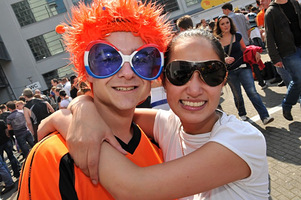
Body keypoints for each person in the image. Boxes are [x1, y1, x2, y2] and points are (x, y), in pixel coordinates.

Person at [38, 29, 270, 199]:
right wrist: (81, 106)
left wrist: (66, 120)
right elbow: (121, 113)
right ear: (163, 80)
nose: (195, 88)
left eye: (211, 72)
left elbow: (134, 188)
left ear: (224, 80)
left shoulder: (243, 140)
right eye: (181, 72)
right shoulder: (168, 125)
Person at [17, 0, 172, 199]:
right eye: (108, 59)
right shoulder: (51, 156)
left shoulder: (164, 141)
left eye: (142, 59)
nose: (127, 73)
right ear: (86, 71)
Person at [214, 15, 274, 125]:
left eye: (227, 22)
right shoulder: (216, 41)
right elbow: (215, 57)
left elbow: (245, 49)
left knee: (252, 92)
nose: (225, 25)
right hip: (230, 72)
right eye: (222, 24)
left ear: (230, 23)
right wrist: (224, 59)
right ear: (219, 26)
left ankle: (265, 116)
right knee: (237, 95)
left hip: (244, 68)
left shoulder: (237, 35)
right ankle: (242, 113)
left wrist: (255, 52)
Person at [265, 0, 301, 120]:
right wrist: (274, 58)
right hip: (289, 52)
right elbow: (269, 37)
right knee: (299, 80)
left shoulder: (295, 3)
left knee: (298, 81)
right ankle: (287, 104)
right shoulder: (271, 12)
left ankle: (287, 104)